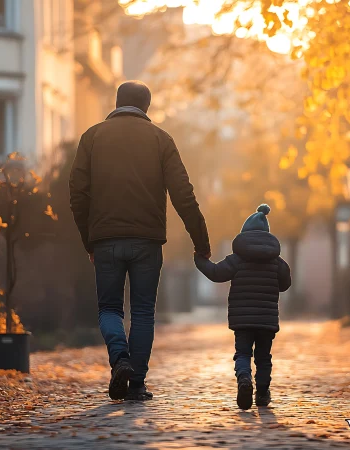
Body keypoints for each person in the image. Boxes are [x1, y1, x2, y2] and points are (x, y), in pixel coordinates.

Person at [69, 81, 211, 401]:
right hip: (147, 241)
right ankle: (137, 384)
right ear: (147, 106)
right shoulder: (161, 140)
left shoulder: (92, 137)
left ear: (117, 101)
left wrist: (89, 240)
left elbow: (77, 194)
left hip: (105, 239)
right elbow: (183, 195)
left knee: (109, 309)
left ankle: (120, 358)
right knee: (144, 312)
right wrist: (201, 241)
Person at [193, 204, 291, 410]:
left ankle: (244, 378)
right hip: (266, 320)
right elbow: (285, 285)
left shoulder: (236, 260)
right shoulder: (277, 262)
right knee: (264, 357)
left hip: (242, 319)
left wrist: (199, 260)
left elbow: (216, 273)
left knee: (243, 353)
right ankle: (262, 393)